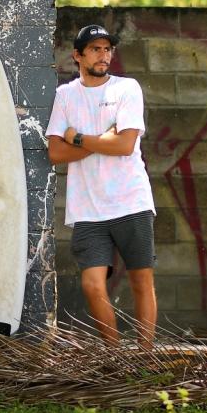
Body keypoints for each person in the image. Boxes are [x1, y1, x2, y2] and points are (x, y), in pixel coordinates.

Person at [45, 24, 157, 348]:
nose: (103, 55)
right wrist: (102, 140)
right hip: (88, 209)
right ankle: (116, 355)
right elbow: (55, 152)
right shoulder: (65, 95)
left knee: (141, 281)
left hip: (131, 202)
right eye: (95, 49)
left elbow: (124, 146)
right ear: (77, 56)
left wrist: (77, 138)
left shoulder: (127, 89)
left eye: (107, 49)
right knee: (92, 285)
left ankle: (145, 358)